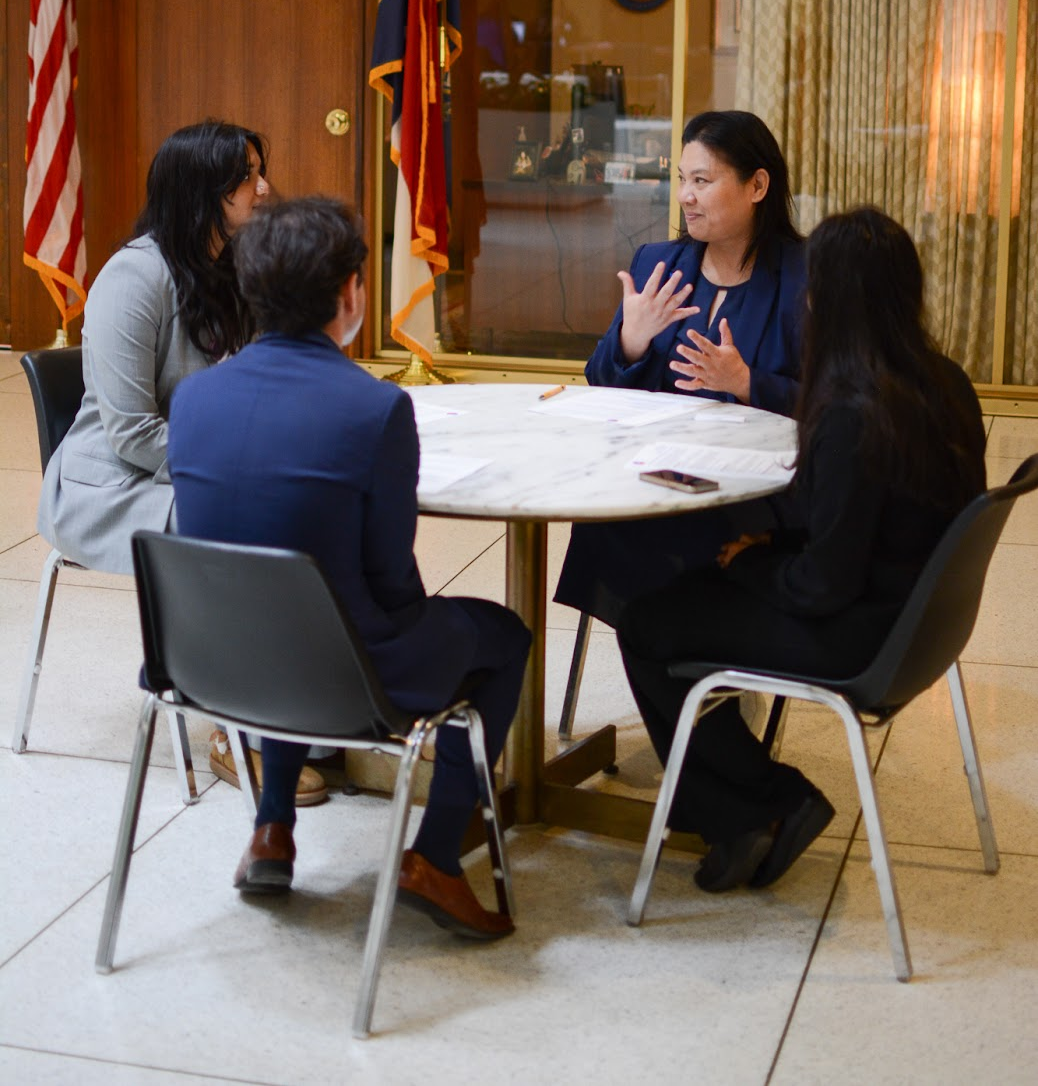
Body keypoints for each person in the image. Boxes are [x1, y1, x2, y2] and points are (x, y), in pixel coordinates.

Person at [167, 196, 532, 940]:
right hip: (342, 676)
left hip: (210, 667)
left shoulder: (195, 397)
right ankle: (434, 856)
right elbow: (392, 581)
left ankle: (272, 830)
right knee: (504, 637)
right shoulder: (374, 410)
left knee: (289, 614)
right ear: (350, 294)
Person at [618, 207, 987, 892]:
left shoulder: (853, 410)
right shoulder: (946, 382)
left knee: (648, 622)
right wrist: (774, 544)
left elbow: (822, 586)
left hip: (862, 635)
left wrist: (753, 561)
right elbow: (873, 520)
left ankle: (764, 805)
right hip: (923, 623)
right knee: (693, 596)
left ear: (825, 299)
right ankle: (745, 800)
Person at [35, 120, 325, 808]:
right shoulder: (133, 279)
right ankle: (234, 726)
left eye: (260, 170)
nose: (266, 188)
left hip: (198, 465)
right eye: (248, 177)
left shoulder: (235, 270)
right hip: (109, 484)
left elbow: (264, 379)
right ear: (203, 193)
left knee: (316, 507)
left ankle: (307, 710)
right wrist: (236, 467)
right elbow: (132, 433)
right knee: (243, 525)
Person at [555, 109, 806, 627]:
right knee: (607, 516)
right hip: (661, 471)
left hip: (754, 488)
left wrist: (746, 383)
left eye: (702, 181)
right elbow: (599, 381)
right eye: (681, 180)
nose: (685, 196)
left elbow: (838, 403)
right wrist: (631, 339)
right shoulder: (658, 263)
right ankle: (664, 651)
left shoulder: (806, 276)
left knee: (684, 542)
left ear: (757, 185)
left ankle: (687, 656)